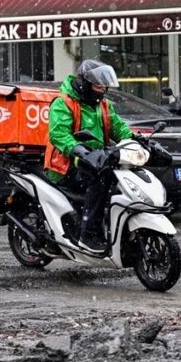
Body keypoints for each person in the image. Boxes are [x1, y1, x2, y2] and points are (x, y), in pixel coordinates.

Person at [44, 60, 133, 253]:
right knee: (101, 179)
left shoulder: (103, 105)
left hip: (97, 159)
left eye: (104, 86)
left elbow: (117, 127)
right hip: (66, 163)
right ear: (85, 83)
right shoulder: (63, 103)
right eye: (98, 85)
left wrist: (135, 139)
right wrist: (81, 151)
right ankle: (88, 235)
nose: (102, 90)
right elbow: (58, 134)